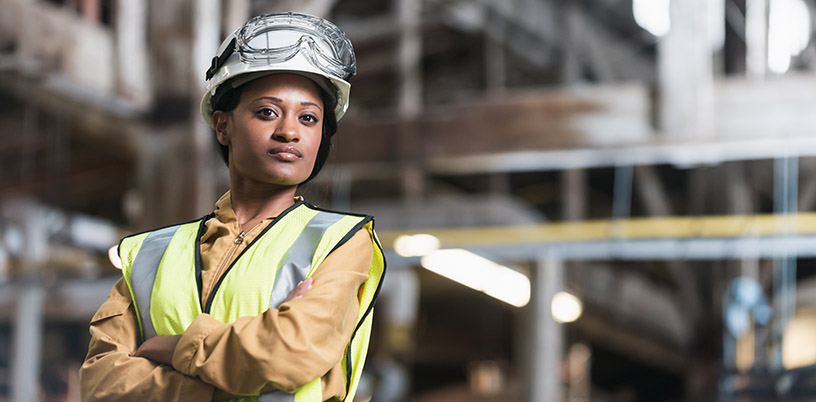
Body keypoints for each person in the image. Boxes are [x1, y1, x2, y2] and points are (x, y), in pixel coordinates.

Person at [79, 12, 386, 402]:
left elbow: (288, 354)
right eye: (267, 112)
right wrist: (225, 387)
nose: (289, 131)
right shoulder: (149, 255)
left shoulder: (339, 243)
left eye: (308, 118)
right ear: (223, 126)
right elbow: (102, 383)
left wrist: (177, 350)